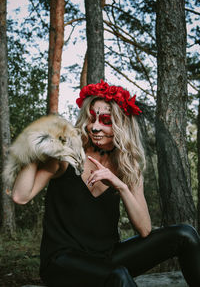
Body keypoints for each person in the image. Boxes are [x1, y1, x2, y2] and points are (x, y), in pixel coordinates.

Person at [12, 80, 200, 287]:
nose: (95, 127)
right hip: (62, 262)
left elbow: (145, 229)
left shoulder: (128, 166)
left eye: (106, 120)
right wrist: (32, 152)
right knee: (117, 275)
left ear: (121, 125)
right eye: (92, 118)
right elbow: (21, 196)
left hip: (106, 257)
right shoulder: (67, 156)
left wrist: (120, 186)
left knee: (186, 234)